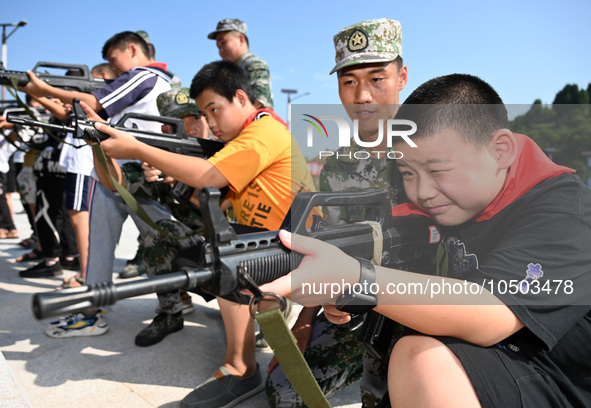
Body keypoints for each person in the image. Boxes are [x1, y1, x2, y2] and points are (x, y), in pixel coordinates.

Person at [261, 74, 591, 407]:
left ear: (500, 150)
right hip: (510, 364)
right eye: (407, 173)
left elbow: (491, 311)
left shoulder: (566, 213)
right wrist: (342, 285)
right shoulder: (448, 202)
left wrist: (357, 278)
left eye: (437, 170)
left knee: (421, 360)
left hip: (564, 382)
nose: (421, 191)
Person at [83, 60, 317, 408]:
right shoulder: (248, 136)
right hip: (275, 242)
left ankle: (241, 367)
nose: (209, 123)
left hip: (292, 248)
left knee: (227, 254)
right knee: (201, 253)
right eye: (203, 115)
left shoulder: (264, 131)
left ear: (241, 97)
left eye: (213, 110)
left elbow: (209, 177)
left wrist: (138, 148)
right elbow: (210, 201)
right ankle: (249, 324)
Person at [266, 18, 408, 408]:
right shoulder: (338, 164)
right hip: (354, 301)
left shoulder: (429, 153)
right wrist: (305, 320)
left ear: (402, 77)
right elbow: (325, 244)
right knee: (286, 392)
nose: (362, 95)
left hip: (421, 306)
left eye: (377, 78)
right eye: (349, 82)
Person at [23, 31, 176, 337]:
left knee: (128, 243)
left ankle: (95, 313)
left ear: (132, 49)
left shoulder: (143, 75)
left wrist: (42, 88)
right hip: (130, 172)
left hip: (129, 173)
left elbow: (95, 101)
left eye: (113, 59)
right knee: (157, 242)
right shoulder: (158, 81)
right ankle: (166, 303)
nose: (113, 68)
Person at [208, 18, 274, 109]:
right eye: (218, 47)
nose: (220, 51)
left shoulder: (253, 64)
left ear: (241, 39)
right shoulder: (230, 71)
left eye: (223, 43)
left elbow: (259, 101)